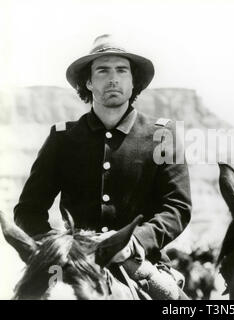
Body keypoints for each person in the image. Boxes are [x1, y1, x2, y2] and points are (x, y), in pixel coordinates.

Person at [14, 34, 192, 274]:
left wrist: (136, 241)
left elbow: (177, 208)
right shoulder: (62, 138)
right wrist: (58, 246)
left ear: (133, 82)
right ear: (88, 82)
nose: (113, 79)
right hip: (74, 263)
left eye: (121, 71)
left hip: (141, 261)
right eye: (103, 71)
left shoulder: (163, 134)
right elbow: (28, 210)